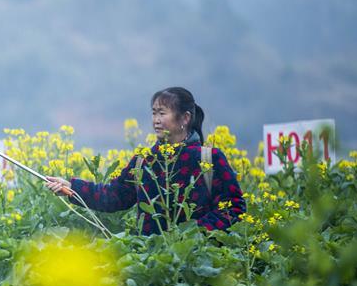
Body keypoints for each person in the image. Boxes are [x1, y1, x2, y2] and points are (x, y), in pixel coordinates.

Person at [45, 87, 246, 235]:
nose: (156, 120)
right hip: (152, 261)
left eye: (162, 113)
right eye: (154, 113)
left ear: (185, 118)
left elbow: (234, 208)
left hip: (200, 263)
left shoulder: (208, 159)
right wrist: (71, 188)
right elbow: (114, 196)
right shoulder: (144, 161)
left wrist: (194, 236)